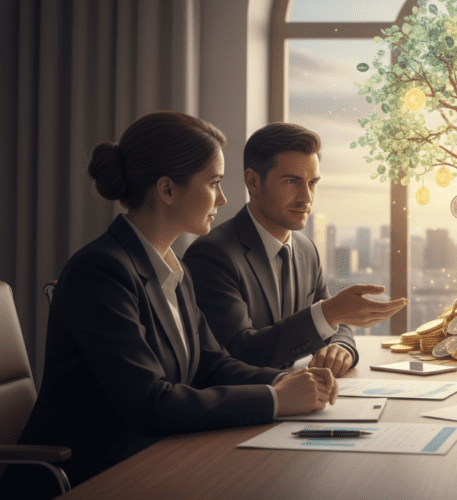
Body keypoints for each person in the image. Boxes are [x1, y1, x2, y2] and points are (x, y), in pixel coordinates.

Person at [1, 112, 338, 499]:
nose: (224, 199)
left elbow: (213, 363)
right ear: (166, 189)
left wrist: (281, 381)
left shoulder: (171, 268)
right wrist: (276, 399)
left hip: (152, 459)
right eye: (213, 183)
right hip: (91, 476)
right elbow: (150, 401)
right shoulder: (101, 271)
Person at [183, 123, 407, 377]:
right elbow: (238, 354)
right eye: (292, 181)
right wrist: (330, 312)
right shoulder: (212, 255)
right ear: (253, 182)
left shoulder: (305, 249)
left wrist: (340, 347)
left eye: (312, 183)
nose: (306, 198)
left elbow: (335, 322)